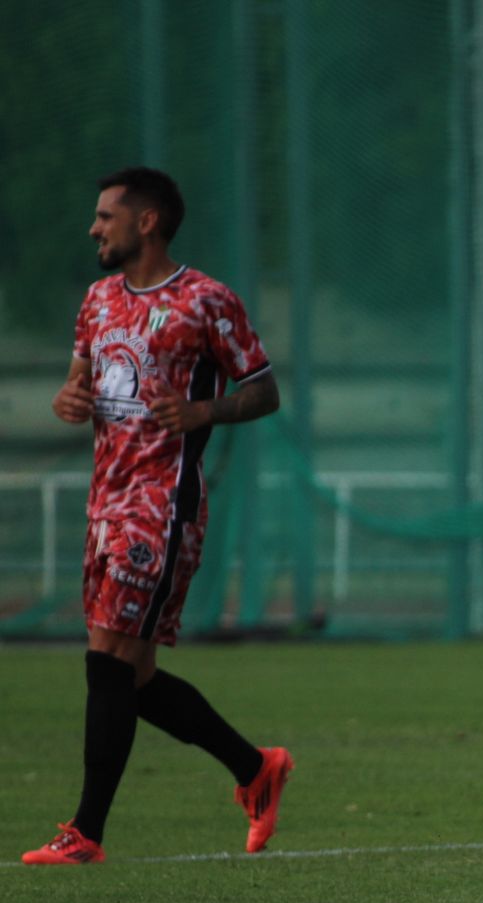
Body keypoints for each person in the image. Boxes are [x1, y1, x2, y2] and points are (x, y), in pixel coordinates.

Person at [23, 167, 293, 865]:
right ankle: (254, 766)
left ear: (146, 221)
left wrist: (206, 409)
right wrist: (69, 399)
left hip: (162, 502)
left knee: (107, 659)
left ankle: (85, 831)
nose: (94, 228)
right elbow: (81, 383)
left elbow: (263, 389)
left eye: (105, 215)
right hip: (105, 500)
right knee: (130, 675)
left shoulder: (206, 301)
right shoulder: (97, 300)